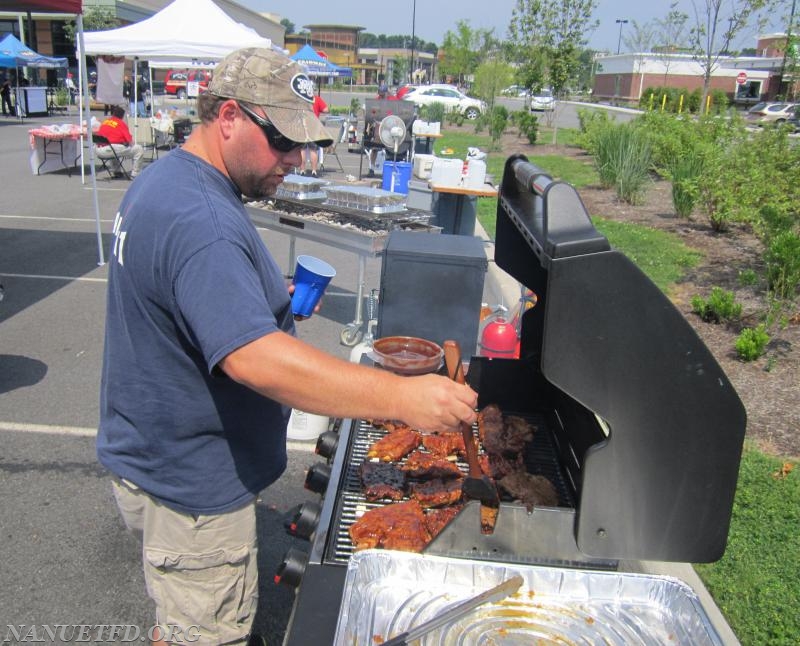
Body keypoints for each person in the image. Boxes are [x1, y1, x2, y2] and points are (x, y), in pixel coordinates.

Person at [97, 47, 476, 646]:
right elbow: (255, 359)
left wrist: (262, 295)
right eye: (281, 140)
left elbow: (178, 295)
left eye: (305, 143)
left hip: (149, 456)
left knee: (180, 616)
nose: (297, 160)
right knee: (203, 632)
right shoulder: (204, 222)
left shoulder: (166, 180)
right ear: (227, 117)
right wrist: (400, 398)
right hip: (192, 487)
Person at [95, 105, 144, 178]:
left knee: (115, 147)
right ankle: (135, 174)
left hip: (98, 150)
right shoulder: (121, 124)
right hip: (110, 149)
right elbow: (130, 141)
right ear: (122, 116)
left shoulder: (105, 121)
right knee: (138, 149)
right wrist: (128, 145)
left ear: (113, 114)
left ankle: (117, 171)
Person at [299, 91, 328, 176]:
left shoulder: (301, 98)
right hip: (314, 127)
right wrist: (318, 109)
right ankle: (314, 171)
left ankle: (302, 170)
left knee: (302, 150)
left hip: (303, 126)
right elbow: (326, 110)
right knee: (313, 150)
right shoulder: (317, 99)